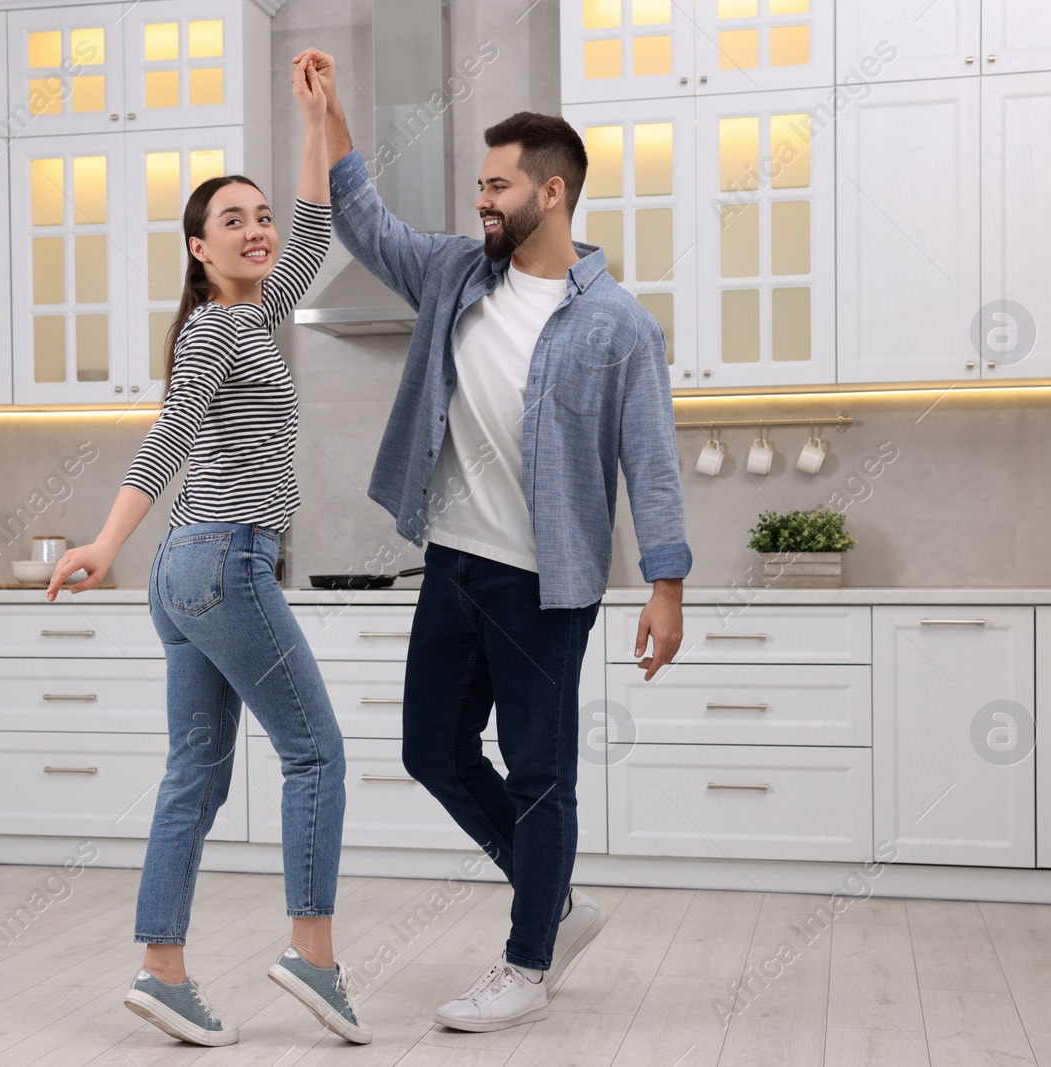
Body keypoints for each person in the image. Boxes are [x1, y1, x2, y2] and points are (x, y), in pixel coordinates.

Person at [291, 48, 691, 1032]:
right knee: (431, 747)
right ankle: (548, 897)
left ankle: (525, 960)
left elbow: (651, 464)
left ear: (550, 193)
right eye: (477, 186)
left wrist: (665, 585)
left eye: (496, 185)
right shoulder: (453, 274)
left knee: (539, 770)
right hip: (454, 561)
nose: (481, 201)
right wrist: (329, 116)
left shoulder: (616, 327)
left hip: (545, 584)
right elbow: (362, 219)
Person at [46, 54, 370, 1048]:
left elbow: (317, 227)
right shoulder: (213, 334)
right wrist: (102, 539)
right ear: (198, 246)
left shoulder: (258, 314)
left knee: (197, 772)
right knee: (315, 752)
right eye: (234, 219)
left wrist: (323, 115)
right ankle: (312, 956)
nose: (259, 228)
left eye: (260, 214)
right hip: (220, 558)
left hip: (191, 570)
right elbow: (171, 432)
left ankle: (162, 966)